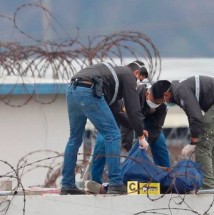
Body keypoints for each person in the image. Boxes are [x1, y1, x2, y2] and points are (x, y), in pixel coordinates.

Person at [60, 61, 149, 195]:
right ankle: (115, 183)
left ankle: (67, 185)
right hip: (88, 91)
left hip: (72, 91)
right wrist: (141, 138)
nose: (136, 84)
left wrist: (138, 129)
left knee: (74, 139)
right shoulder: (128, 75)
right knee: (113, 135)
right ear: (136, 73)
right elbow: (133, 108)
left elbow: (119, 113)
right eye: (138, 80)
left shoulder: (111, 80)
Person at [148, 77, 214, 192]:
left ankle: (208, 184)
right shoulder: (179, 88)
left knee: (202, 146)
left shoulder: (180, 92)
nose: (164, 104)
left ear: (166, 95)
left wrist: (193, 142)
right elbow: (192, 115)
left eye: (161, 102)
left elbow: (196, 117)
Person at [89, 80, 172, 188]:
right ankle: (95, 182)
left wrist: (144, 141)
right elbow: (125, 122)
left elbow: (156, 128)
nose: (155, 104)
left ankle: (166, 180)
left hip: (143, 121)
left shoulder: (162, 106)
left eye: (158, 102)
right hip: (120, 116)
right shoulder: (134, 94)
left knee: (159, 140)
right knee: (103, 139)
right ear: (147, 94)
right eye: (153, 101)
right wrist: (130, 147)